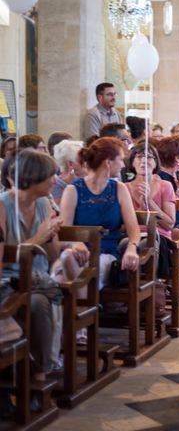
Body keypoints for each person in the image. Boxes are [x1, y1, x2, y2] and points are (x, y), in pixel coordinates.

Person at [0, 150, 63, 381]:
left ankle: (40, 373)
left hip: (37, 277)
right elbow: (2, 260)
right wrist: (38, 238)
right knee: (35, 304)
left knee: (38, 301)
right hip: (7, 279)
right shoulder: (3, 206)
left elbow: (52, 253)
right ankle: (35, 375)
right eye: (50, 175)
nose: (55, 180)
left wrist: (57, 241)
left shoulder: (44, 203)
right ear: (33, 177)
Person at [59, 137, 140, 290]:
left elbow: (133, 228)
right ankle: (86, 309)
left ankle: (81, 309)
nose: (123, 165)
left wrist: (131, 248)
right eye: (121, 160)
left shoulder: (119, 188)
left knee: (66, 275)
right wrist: (75, 242)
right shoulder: (73, 190)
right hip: (77, 252)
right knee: (65, 262)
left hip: (107, 252)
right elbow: (64, 231)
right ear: (108, 162)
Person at [124, 142, 175, 281]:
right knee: (129, 244)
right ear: (132, 162)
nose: (144, 161)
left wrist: (149, 202)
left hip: (159, 235)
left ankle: (151, 284)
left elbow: (169, 224)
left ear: (155, 163)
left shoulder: (165, 186)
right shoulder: (123, 188)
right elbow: (122, 223)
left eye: (149, 157)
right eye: (139, 157)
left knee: (148, 244)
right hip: (132, 236)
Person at [51, 139, 85, 205]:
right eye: (82, 160)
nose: (86, 163)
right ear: (70, 164)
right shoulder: (55, 186)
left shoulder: (86, 180)